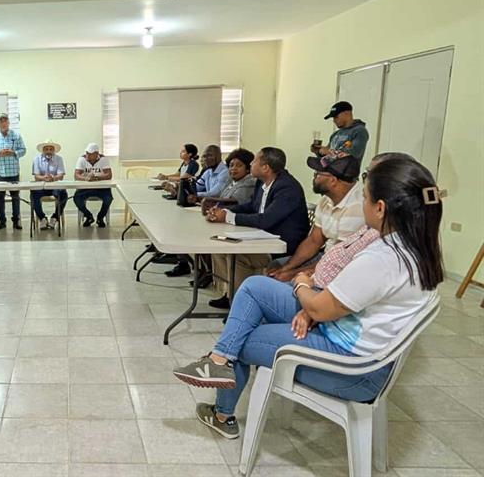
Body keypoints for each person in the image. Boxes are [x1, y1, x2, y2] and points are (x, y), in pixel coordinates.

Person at [173, 157, 444, 440]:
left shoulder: (382, 259)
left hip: (350, 369)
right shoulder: (412, 245)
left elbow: (323, 307)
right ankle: (218, 359)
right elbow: (338, 296)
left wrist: (303, 286)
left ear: (380, 208)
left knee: (242, 338)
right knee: (254, 287)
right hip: (344, 332)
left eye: (364, 196)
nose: (360, 201)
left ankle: (222, 412)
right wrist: (312, 303)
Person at [205, 147, 310, 309]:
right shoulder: (262, 182)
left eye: (254, 161)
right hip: (262, 236)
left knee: (239, 256)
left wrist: (227, 217)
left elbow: (265, 220)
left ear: (265, 168)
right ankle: (230, 295)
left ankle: (241, 305)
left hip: (282, 245)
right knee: (219, 247)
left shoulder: (287, 188)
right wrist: (224, 211)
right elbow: (252, 206)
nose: (251, 164)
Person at [266, 152, 365, 282]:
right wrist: (287, 268)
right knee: (275, 267)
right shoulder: (326, 200)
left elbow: (338, 262)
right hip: (326, 256)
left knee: (275, 284)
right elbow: (314, 240)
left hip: (343, 269)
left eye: (317, 174)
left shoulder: (357, 208)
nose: (314, 178)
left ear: (333, 180)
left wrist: (293, 274)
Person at [166, 149, 257, 278]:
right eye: (231, 165)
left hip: (236, 225)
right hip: (223, 221)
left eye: (239, 165)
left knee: (198, 234)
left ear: (247, 168)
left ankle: (205, 272)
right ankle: (200, 269)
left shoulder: (248, 183)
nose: (233, 169)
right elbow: (214, 194)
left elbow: (231, 201)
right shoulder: (231, 181)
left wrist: (202, 200)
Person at [0, 112, 27, 230]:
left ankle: (16, 221)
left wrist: (14, 153)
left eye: (5, 121)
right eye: (1, 121)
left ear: (8, 122)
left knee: (15, 197)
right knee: (0, 198)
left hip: (14, 172)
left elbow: (23, 150)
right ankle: (2, 221)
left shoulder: (16, 135)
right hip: (0, 173)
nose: (3, 123)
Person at [30, 140, 68, 230]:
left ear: (54, 150)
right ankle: (42, 218)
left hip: (55, 185)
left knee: (63, 194)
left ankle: (55, 217)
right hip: (41, 186)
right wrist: (44, 178)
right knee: (33, 194)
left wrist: (53, 178)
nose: (49, 151)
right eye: (46, 149)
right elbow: (36, 176)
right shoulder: (36, 159)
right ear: (43, 150)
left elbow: (61, 175)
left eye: (51, 149)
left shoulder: (59, 159)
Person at [73, 143, 114, 227]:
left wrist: (96, 177)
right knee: (76, 198)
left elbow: (109, 175)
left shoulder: (103, 159)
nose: (87, 157)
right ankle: (88, 216)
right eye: (87, 153)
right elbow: (76, 175)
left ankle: (100, 217)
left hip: (102, 188)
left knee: (108, 199)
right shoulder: (82, 159)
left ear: (96, 154)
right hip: (85, 188)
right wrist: (86, 178)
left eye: (90, 155)